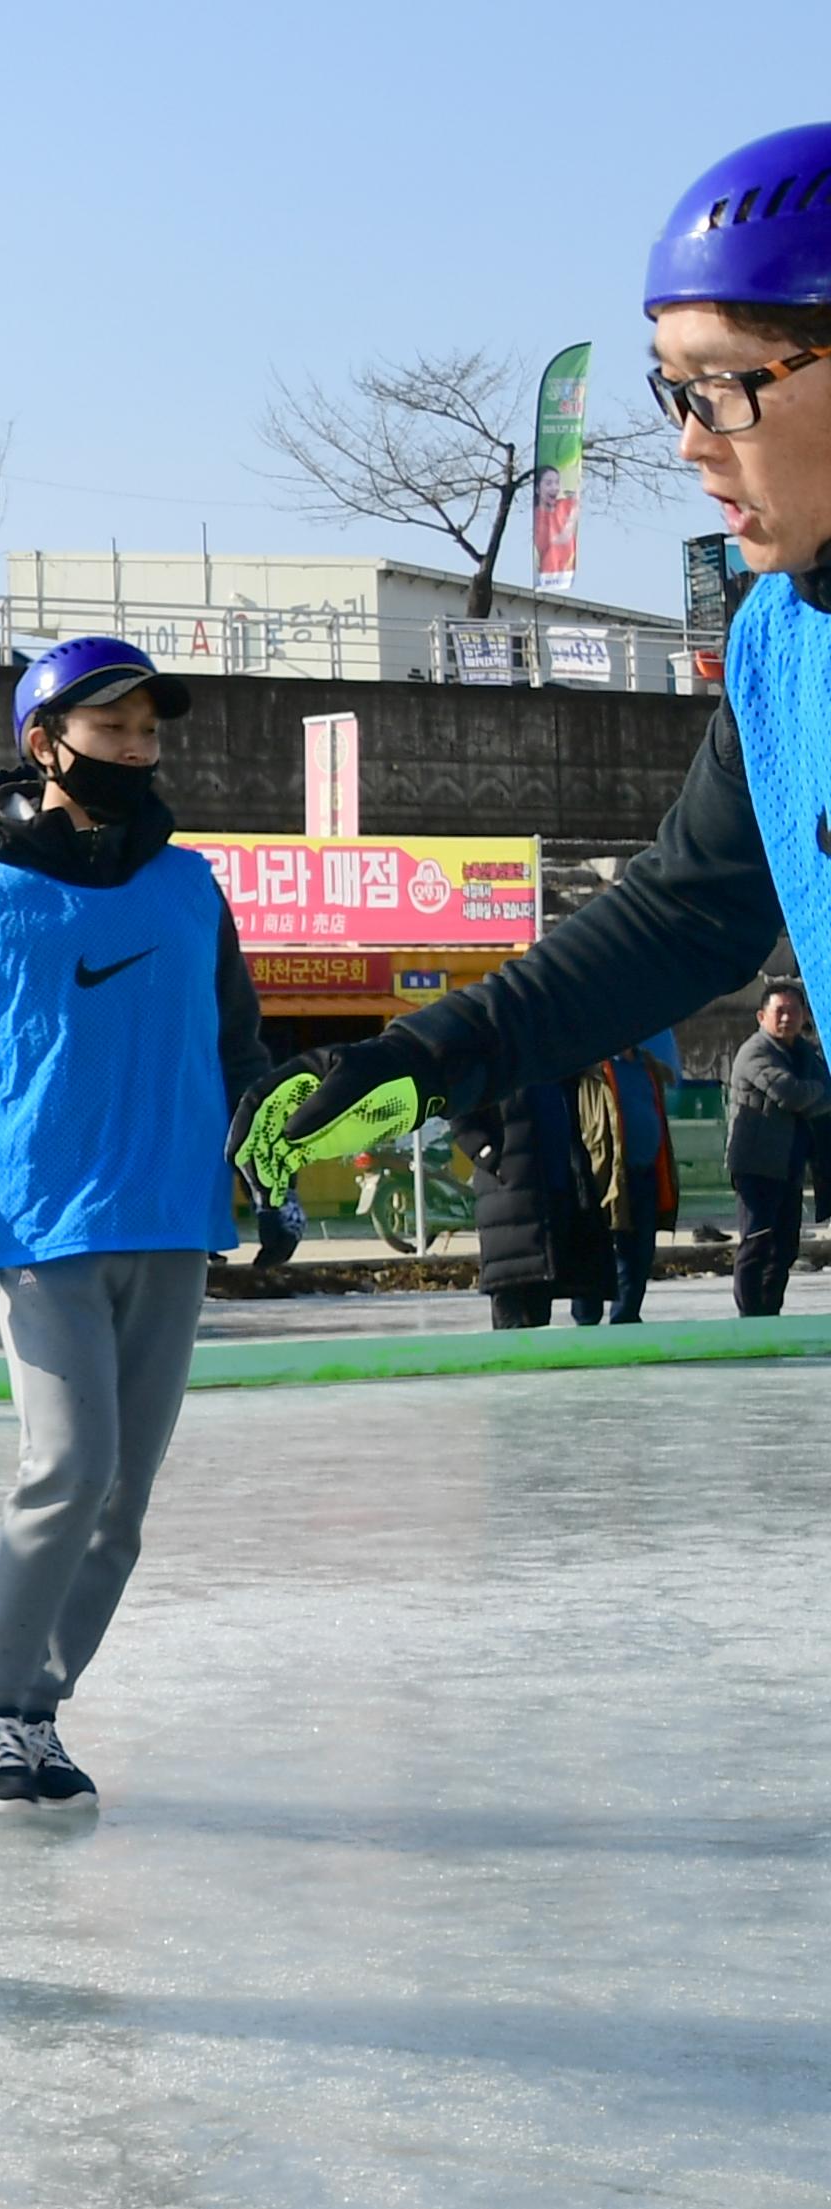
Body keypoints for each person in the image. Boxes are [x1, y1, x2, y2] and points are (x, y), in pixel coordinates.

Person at [241, 129, 831, 1349]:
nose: (686, 437)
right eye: (670, 386)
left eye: (723, 384)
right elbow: (687, 909)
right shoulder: (782, 642)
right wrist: (432, 1051)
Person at [0, 636, 266, 1815]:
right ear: (46, 743)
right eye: (113, 730)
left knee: (124, 1496)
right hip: (39, 1229)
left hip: (177, 1218)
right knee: (67, 1467)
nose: (137, 750)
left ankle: (34, 1709)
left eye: (149, 732)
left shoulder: (190, 888)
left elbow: (241, 1051)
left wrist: (269, 1169)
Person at [457, 1078, 614, 1330]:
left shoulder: (550, 1064)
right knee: (512, 1304)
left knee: (539, 1307)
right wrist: (491, 1158)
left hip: (551, 1200)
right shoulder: (491, 1060)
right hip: (508, 1199)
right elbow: (461, 1117)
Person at [724, 984, 826, 1314]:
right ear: (761, 1016)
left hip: (790, 1165)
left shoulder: (806, 1053)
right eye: (779, 1011)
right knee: (757, 1242)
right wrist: (816, 1094)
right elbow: (792, 1094)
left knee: (785, 1248)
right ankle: (750, 1316)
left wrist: (813, 1095)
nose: (786, 1017)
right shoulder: (755, 1052)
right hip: (756, 1164)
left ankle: (770, 1313)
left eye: (793, 1011)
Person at [605, 1027, 682, 1320]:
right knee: (613, 1251)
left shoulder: (647, 1065)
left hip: (648, 1172)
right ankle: (588, 1323)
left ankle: (627, 1318)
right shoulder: (596, 1069)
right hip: (611, 1177)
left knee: (641, 1253)